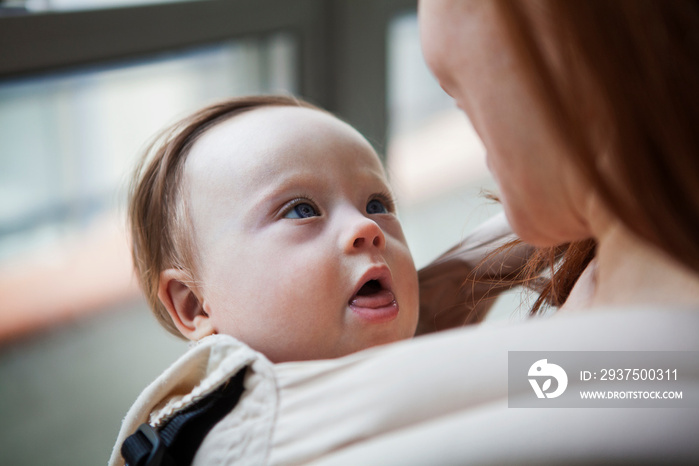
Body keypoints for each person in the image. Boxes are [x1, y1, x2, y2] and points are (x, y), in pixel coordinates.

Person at [110, 95, 527, 465]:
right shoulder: (251, 438)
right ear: (194, 305)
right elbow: (576, 380)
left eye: (377, 203)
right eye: (300, 211)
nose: (366, 227)